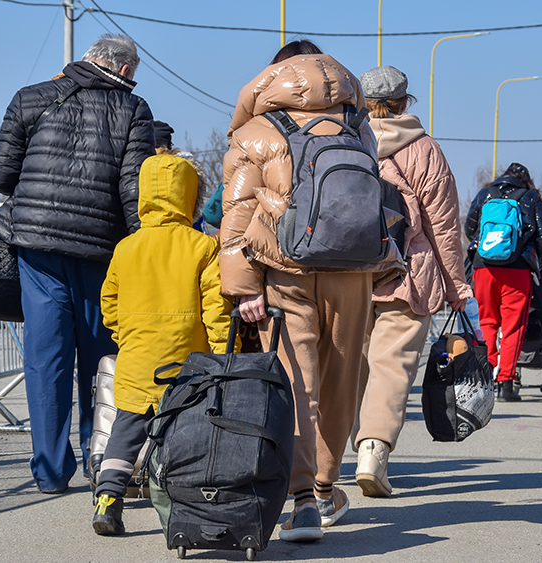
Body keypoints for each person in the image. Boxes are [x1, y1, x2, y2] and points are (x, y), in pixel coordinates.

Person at [220, 40, 404, 542]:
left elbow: (236, 217)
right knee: (342, 380)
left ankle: (301, 502)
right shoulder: (358, 126)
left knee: (295, 383)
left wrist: (243, 290)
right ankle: (325, 488)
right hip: (353, 270)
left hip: (285, 273)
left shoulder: (255, 132)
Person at [0, 33, 155, 493]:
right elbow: (133, 191)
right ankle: (100, 458)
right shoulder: (133, 110)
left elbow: (0, 175)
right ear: (123, 70)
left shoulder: (31, 97)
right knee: (102, 357)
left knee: (46, 359)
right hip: (101, 251)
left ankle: (50, 471)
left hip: (38, 248)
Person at [91, 154, 233, 535]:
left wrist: (127, 337)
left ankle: (107, 497)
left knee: (124, 431)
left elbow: (110, 303)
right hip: (186, 364)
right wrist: (221, 357)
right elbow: (216, 310)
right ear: (189, 197)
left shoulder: (127, 248)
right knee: (187, 433)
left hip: (137, 359)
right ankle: (185, 505)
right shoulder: (203, 247)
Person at [350, 66, 473, 498]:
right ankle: (373, 452)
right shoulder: (424, 150)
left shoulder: (344, 141)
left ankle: (328, 464)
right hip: (406, 271)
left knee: (350, 369)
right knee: (393, 367)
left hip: (346, 273)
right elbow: (443, 226)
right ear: (405, 103)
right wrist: (456, 286)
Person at [464, 163, 542, 402]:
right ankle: (505, 385)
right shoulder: (530, 197)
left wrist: (487, 248)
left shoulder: (485, 194)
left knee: (486, 323)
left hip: (484, 267)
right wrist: (536, 263)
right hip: (517, 270)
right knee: (513, 328)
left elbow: (469, 228)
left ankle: (484, 379)